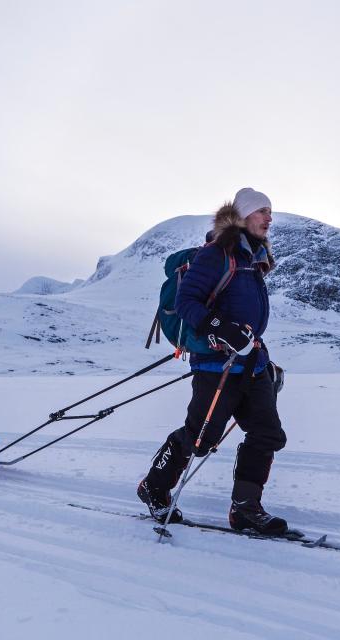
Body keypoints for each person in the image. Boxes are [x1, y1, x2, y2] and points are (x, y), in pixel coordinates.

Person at [137, 187, 289, 534]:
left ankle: (246, 509)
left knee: (267, 434)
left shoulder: (253, 260)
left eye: (271, 211)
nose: (269, 218)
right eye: (262, 210)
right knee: (200, 439)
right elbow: (189, 303)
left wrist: (262, 356)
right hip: (216, 366)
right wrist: (221, 327)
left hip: (252, 364)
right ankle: (154, 487)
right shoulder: (216, 254)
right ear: (242, 215)